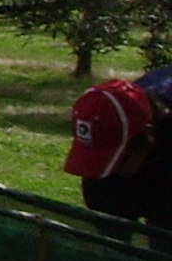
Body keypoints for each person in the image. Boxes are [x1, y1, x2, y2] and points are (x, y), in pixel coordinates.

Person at [65, 71, 172, 228]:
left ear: (149, 138)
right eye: (96, 160)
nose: (107, 173)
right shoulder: (101, 178)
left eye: (118, 160)